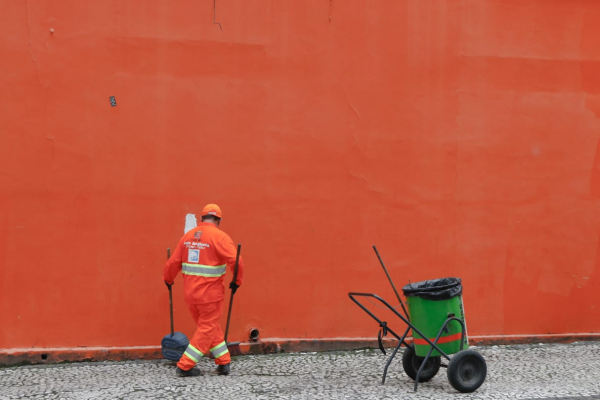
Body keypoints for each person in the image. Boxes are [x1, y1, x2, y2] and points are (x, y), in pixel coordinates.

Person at [163, 203, 244, 377]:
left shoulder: (188, 236)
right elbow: (237, 261)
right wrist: (236, 282)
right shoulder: (220, 237)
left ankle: (224, 362)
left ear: (202, 218)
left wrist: (168, 280)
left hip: (190, 294)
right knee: (207, 329)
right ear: (218, 220)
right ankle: (185, 365)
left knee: (209, 327)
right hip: (210, 296)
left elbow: (173, 263)